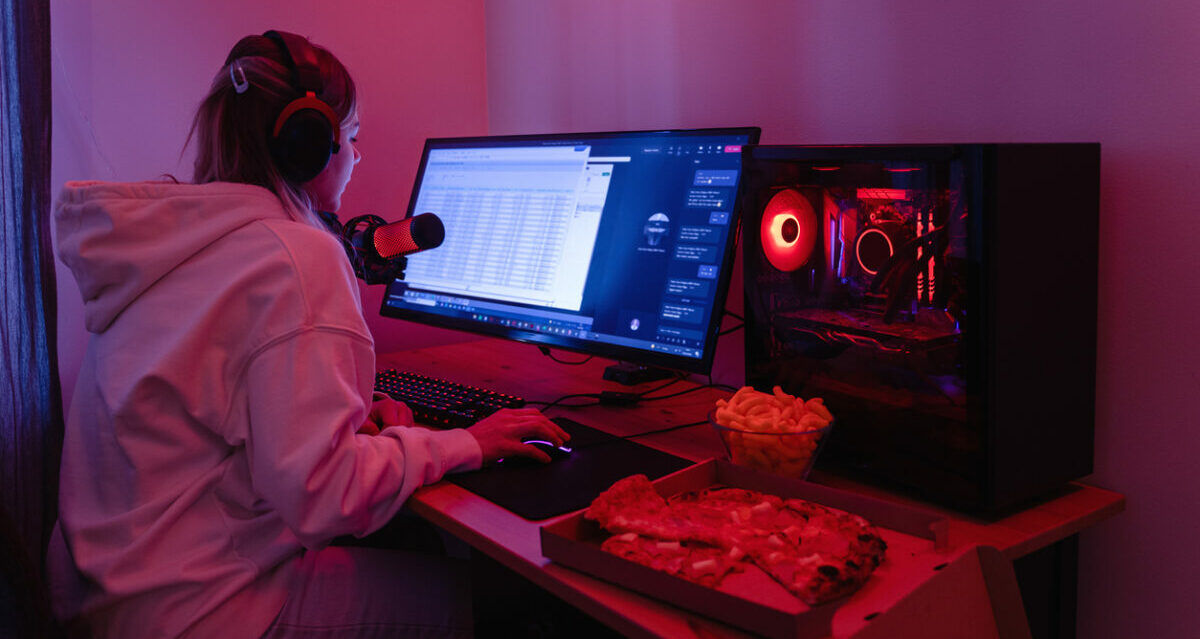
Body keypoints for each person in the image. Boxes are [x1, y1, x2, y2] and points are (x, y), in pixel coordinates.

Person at [46, 30, 568, 639]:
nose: (357, 155)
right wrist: (469, 444)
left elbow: (221, 407)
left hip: (105, 596)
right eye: (350, 138)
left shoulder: (176, 242)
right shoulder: (295, 257)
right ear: (308, 146)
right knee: (507, 597)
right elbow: (327, 498)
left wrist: (344, 423)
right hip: (203, 613)